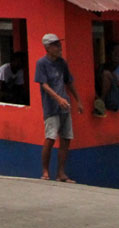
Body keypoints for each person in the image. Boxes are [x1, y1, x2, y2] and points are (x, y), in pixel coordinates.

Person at [34, 32, 83, 182]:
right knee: (50, 137)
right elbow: (44, 85)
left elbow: (69, 82)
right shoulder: (41, 63)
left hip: (65, 105)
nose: (59, 47)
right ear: (48, 48)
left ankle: (61, 173)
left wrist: (78, 100)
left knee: (66, 138)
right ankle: (45, 171)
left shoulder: (62, 63)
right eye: (56, 45)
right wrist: (58, 98)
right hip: (51, 107)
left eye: (59, 44)